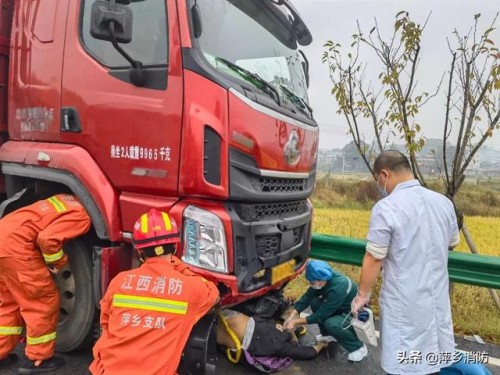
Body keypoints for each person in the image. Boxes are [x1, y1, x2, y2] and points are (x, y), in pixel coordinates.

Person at [351, 150, 460, 375]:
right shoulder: (444, 203)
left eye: (378, 180)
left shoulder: (386, 208)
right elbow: (452, 243)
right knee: (432, 360)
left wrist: (362, 295)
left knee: (405, 364)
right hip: (436, 299)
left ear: (384, 175)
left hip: (405, 304)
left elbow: (374, 257)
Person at [90, 209, 220, 375]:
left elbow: (106, 324)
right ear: (175, 246)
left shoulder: (119, 282)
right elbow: (213, 293)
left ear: (140, 251)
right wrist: (180, 267)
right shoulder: (191, 288)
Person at [0, 193, 91, 374]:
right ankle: (38, 358)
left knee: (10, 302)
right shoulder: (83, 215)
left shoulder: (66, 198)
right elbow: (48, 239)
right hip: (16, 248)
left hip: (4, 238)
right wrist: (59, 262)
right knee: (42, 301)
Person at [283, 260, 367, 362]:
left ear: (321, 280)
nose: (311, 284)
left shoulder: (338, 287)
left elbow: (320, 316)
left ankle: (358, 348)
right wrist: (293, 315)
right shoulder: (323, 279)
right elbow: (308, 297)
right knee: (314, 302)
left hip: (353, 314)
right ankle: (329, 335)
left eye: (312, 282)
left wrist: (295, 322)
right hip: (339, 308)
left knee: (331, 324)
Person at [217, 309, 328, 363]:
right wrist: (320, 345)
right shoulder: (277, 332)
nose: (288, 325)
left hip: (243, 331)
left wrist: (320, 346)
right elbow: (306, 353)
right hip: (239, 328)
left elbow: (306, 353)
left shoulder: (282, 346)